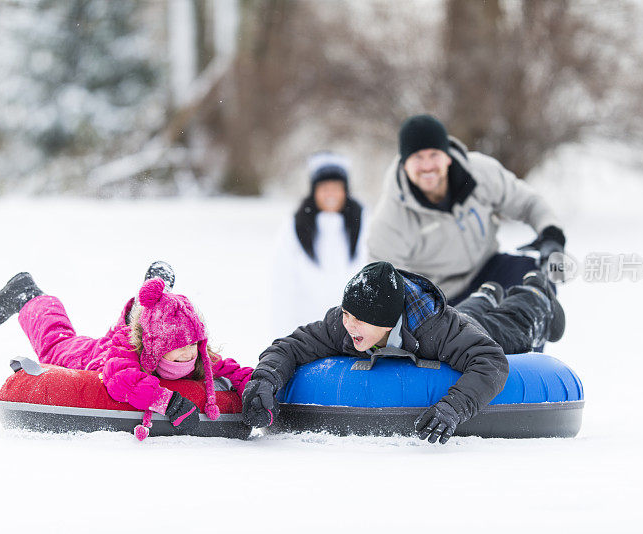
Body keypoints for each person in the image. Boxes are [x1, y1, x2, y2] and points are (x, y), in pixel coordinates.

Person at [242, 261, 565, 444]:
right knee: (472, 314)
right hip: (460, 319)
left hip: (473, 328)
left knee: (507, 330)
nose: (349, 325)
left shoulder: (433, 327)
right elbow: (290, 346)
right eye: (346, 314)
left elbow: (491, 361)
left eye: (360, 319)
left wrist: (453, 408)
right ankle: (486, 294)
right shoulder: (342, 325)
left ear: (386, 322)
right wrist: (265, 380)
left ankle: (535, 293)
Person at [0, 264, 253, 440]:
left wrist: (255, 391)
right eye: (177, 348)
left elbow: (235, 371)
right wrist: (167, 402)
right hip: (94, 356)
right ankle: (27, 294)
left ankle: (156, 294)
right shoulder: (127, 347)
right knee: (55, 343)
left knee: (154, 323)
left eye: (191, 346)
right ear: (157, 348)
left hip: (144, 334)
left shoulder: (196, 352)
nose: (187, 354)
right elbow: (122, 378)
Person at [367, 114, 567, 305]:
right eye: (417, 157)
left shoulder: (481, 173)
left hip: (490, 271)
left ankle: (527, 335)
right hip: (439, 297)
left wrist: (551, 235)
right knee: (476, 330)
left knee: (533, 281)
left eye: (434, 154)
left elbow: (527, 202)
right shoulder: (390, 217)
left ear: (447, 156)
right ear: (404, 164)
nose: (427, 166)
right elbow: (382, 282)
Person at [272, 151, 367, 333]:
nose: (330, 193)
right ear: (314, 191)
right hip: (307, 329)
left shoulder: (363, 223)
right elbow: (281, 285)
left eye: (336, 187)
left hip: (355, 332)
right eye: (324, 188)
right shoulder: (294, 227)